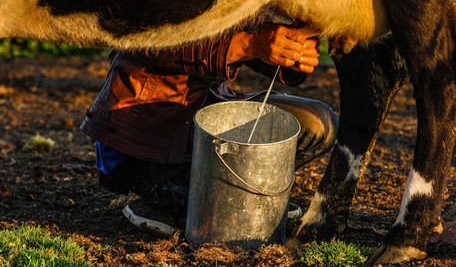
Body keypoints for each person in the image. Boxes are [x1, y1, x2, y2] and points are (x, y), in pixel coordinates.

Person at [80, 14, 339, 237]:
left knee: (318, 124)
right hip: (142, 137)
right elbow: (142, 39)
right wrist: (250, 44)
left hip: (203, 117)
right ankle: (176, 196)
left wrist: (291, 50)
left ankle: (213, 196)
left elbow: (260, 37)